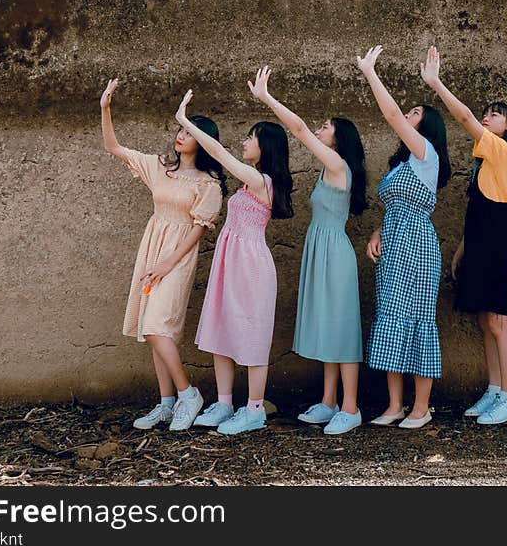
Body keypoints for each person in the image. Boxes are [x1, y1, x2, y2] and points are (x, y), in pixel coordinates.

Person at [247, 67, 368, 435]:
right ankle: (330, 401)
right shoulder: (325, 169)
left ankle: (351, 407)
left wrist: (267, 98)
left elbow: (297, 129)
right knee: (329, 328)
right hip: (323, 249)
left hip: (336, 254)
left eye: (326, 126)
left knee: (343, 331)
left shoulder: (337, 164)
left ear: (339, 138)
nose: (319, 129)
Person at [100, 79, 224, 431]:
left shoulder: (208, 185)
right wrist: (106, 108)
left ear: (203, 141)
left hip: (177, 257)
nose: (180, 136)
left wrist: (168, 263)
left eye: (188, 131)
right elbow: (113, 146)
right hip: (152, 248)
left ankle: (188, 394)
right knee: (154, 329)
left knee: (158, 327)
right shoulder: (159, 167)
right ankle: (166, 402)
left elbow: (199, 229)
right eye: (179, 130)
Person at [420, 46, 507, 425]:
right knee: (485, 321)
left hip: (497, 252)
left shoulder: (504, 151)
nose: (485, 119)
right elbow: (481, 213)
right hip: (480, 248)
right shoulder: (486, 161)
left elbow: (464, 116)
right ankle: (495, 389)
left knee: (499, 321)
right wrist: (462, 251)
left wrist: (436, 83)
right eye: (486, 114)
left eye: (495, 116)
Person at [174, 90, 294, 436]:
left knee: (253, 334)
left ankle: (254, 408)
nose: (244, 142)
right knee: (221, 329)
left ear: (265, 147)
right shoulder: (248, 183)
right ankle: (225, 403)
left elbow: (218, 152)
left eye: (250, 138)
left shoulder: (261, 181)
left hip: (251, 266)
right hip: (231, 262)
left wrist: (185, 122)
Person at [357, 45, 451, 430]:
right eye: (409, 111)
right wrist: (378, 230)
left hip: (418, 244)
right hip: (394, 240)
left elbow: (390, 113)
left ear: (426, 127)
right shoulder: (401, 164)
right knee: (390, 319)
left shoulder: (426, 152)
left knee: (418, 321)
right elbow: (395, 204)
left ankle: (421, 407)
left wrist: (370, 72)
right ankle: (395, 404)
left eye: (416, 113)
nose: (407, 115)